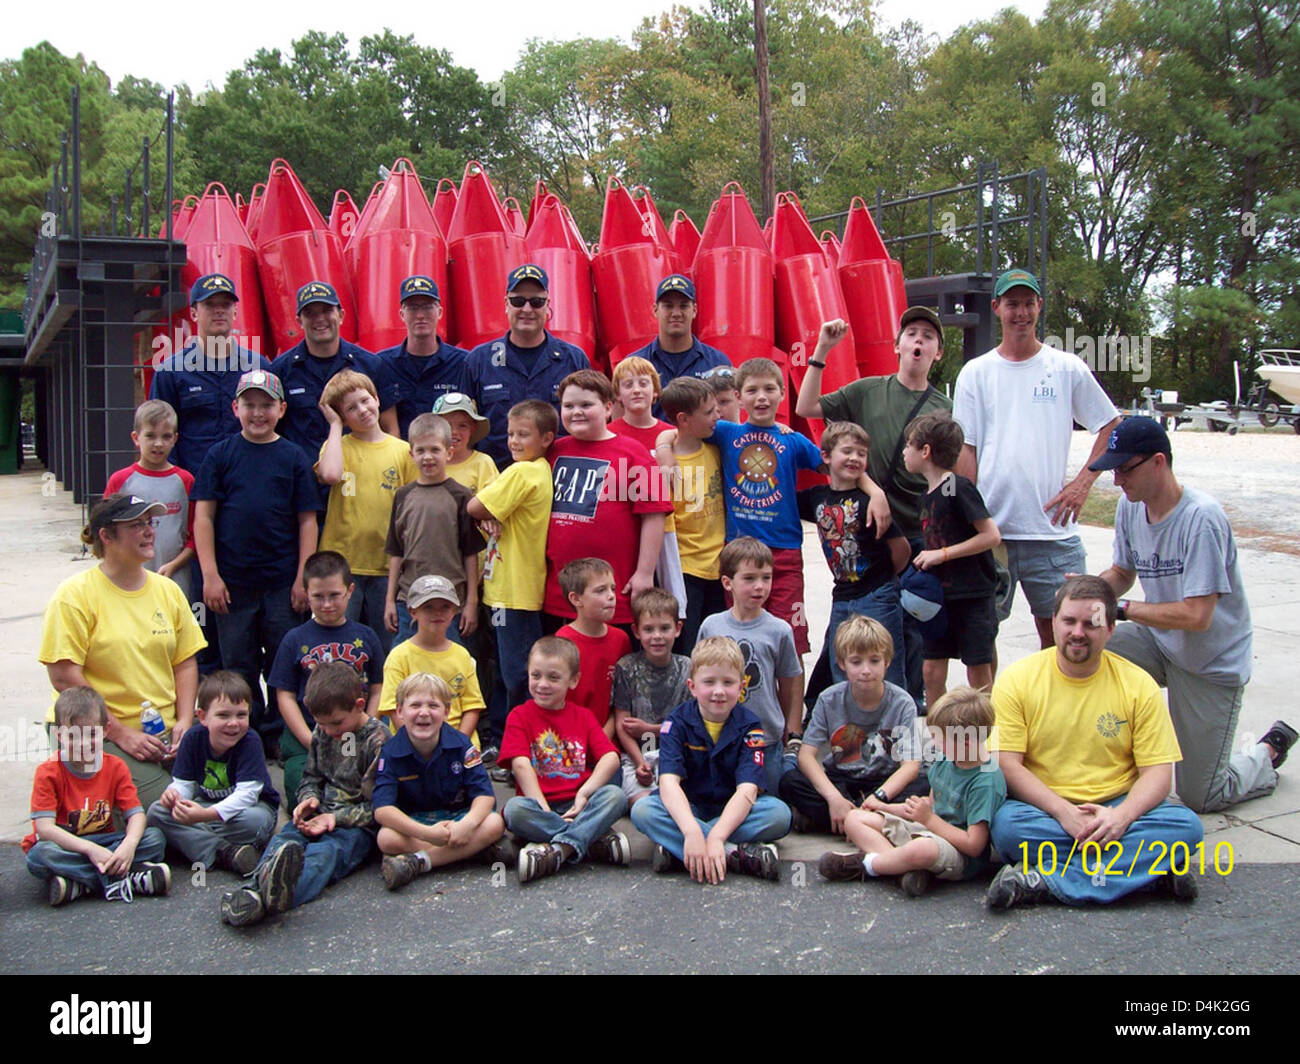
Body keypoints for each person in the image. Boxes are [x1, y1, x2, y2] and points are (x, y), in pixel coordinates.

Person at [1089, 417, 1295, 811]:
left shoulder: (1202, 519)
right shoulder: (1130, 508)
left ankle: (1266, 752)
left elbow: (1197, 615)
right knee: (1084, 643)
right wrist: (1088, 595)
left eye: (1124, 469)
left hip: (1209, 661)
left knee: (1202, 795)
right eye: (1112, 470)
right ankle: (1111, 755)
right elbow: (1122, 573)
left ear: (1159, 462)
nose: (1117, 481)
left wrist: (1122, 608)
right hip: (1160, 642)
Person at [986, 576, 1204, 908]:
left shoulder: (1138, 684)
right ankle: (1147, 875)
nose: (1078, 632)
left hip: (1118, 806)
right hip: (1045, 809)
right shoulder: (1018, 680)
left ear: (1110, 629)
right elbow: (1007, 765)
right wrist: (1063, 813)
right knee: (1007, 828)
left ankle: (1043, 880)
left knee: (1187, 827)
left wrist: (1122, 817)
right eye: (1069, 620)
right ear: (1054, 623)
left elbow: (1159, 773)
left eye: (1091, 623)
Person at [952, 269, 1120, 650]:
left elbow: (1111, 425)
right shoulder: (975, 373)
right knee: (981, 636)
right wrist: (968, 518)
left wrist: (1082, 483)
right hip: (994, 533)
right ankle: (993, 709)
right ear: (996, 308)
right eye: (1012, 304)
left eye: (1029, 303)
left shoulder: (1066, 368)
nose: (1021, 313)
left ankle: (1060, 709)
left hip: (1052, 532)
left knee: (1066, 636)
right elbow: (968, 450)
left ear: (1039, 307)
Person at [795, 309, 952, 701]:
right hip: (861, 534)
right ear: (897, 345)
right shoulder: (867, 390)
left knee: (905, 637)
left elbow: (954, 476)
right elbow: (806, 407)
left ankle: (900, 714)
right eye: (911, 333)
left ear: (938, 353)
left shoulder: (945, 409)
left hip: (915, 538)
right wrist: (822, 349)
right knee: (846, 638)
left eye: (928, 337)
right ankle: (832, 710)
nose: (919, 341)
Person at [707, 356, 887, 655]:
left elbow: (837, 465)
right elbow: (685, 424)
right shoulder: (726, 433)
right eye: (752, 390)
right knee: (739, 639)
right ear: (738, 398)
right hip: (739, 551)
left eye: (769, 389)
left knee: (791, 641)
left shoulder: (794, 441)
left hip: (785, 553)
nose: (761, 397)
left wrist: (874, 491)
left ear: (781, 393)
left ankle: (790, 703)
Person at [40, 494, 206, 808]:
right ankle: (219, 847)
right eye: (136, 525)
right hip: (95, 730)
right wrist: (119, 732)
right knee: (163, 804)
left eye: (150, 523)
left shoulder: (167, 590)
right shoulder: (74, 595)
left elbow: (184, 662)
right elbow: (63, 677)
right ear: (107, 536)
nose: (149, 532)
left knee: (220, 785)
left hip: (162, 730)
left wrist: (184, 721)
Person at [192, 369, 319, 750]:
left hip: (282, 584)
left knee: (284, 662)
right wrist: (210, 575)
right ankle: (245, 735)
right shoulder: (220, 455)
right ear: (235, 408)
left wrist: (303, 579)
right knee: (239, 664)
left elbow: (307, 520)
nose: (258, 413)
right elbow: (203, 517)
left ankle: (282, 734)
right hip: (233, 585)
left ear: (282, 409)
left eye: (267, 405)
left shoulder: (293, 457)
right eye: (249, 405)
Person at [219, 662, 388, 926]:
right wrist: (309, 799)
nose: (330, 731)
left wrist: (336, 819)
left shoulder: (377, 741)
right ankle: (253, 887)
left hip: (357, 826)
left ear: (359, 704)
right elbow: (312, 776)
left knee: (325, 855)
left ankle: (274, 898)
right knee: (285, 837)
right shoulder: (323, 731)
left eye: (337, 723)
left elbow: (382, 806)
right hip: (319, 814)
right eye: (322, 724)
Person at [630, 636, 792, 882]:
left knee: (779, 815)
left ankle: (679, 850)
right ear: (692, 686)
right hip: (688, 807)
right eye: (709, 682)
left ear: (741, 687)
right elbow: (668, 783)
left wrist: (716, 835)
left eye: (728, 682)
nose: (718, 691)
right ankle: (735, 853)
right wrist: (691, 830)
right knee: (643, 810)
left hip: (732, 809)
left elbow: (748, 789)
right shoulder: (676, 722)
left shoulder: (751, 726)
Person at [817, 686, 1005, 897]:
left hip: (957, 853)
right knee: (854, 819)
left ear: (967, 742)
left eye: (940, 738)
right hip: (928, 830)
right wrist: (884, 807)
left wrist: (929, 820)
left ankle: (868, 865)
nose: (935, 744)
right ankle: (901, 870)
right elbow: (930, 805)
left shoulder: (984, 780)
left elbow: (974, 846)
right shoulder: (947, 759)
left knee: (922, 849)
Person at [544, 369, 671, 628]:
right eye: (568, 406)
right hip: (559, 593)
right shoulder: (553, 451)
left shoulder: (632, 452)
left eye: (586, 404)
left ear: (608, 407)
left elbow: (655, 513)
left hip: (614, 594)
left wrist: (645, 573)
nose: (576, 411)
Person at [499, 636, 631, 883]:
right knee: (514, 811)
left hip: (578, 806)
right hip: (537, 805)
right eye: (535, 675)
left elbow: (611, 758)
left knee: (616, 796)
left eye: (553, 677)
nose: (542, 684)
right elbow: (520, 764)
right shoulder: (519, 715)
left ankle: (557, 850)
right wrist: (542, 807)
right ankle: (590, 841)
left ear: (573, 681)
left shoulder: (583, 716)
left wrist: (584, 793)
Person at [779, 616, 926, 835]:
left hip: (884, 782)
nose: (866, 670)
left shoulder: (902, 702)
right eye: (856, 662)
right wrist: (833, 797)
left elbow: (910, 765)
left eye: (874, 661)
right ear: (842, 663)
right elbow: (806, 756)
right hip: (842, 780)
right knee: (790, 782)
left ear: (887, 661)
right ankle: (869, 821)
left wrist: (880, 797)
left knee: (927, 784)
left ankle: (841, 822)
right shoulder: (829, 699)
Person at [24, 687, 170, 906]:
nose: (83, 743)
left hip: (106, 840)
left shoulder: (115, 766)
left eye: (91, 734)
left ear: (105, 730)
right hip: (69, 845)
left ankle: (80, 884)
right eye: (73, 735)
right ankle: (124, 879)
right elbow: (45, 829)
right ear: (58, 734)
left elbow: (136, 815)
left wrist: (128, 846)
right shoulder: (48, 772)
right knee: (39, 856)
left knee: (154, 839)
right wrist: (91, 850)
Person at [466, 399, 556, 741]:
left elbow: (474, 505)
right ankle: (503, 737)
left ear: (547, 438)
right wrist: (489, 513)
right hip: (510, 589)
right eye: (510, 434)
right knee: (506, 669)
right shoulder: (539, 469)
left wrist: (485, 511)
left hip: (512, 594)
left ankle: (514, 740)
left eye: (524, 434)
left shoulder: (523, 471)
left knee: (514, 672)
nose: (514, 442)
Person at [374, 672, 512, 891]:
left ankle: (419, 862)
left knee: (495, 823)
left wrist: (467, 825)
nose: (424, 712)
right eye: (415, 705)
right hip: (418, 824)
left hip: (458, 819)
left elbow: (485, 796)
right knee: (386, 838)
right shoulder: (391, 752)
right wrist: (427, 833)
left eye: (433, 706)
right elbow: (382, 809)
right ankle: (471, 851)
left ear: (447, 712)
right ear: (399, 711)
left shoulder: (461, 744)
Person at [798, 421, 910, 687]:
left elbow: (901, 548)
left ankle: (892, 727)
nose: (854, 458)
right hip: (842, 596)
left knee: (884, 663)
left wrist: (882, 579)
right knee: (843, 665)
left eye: (861, 453)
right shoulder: (817, 498)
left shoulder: (869, 501)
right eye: (847, 451)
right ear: (825, 456)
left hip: (877, 594)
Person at [268, 551, 385, 805]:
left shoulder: (366, 636)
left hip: (353, 732)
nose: (327, 604)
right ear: (306, 593)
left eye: (334, 595)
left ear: (350, 591)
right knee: (301, 788)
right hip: (308, 731)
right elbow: (284, 695)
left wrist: (368, 725)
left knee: (357, 787)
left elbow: (377, 688)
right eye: (318, 597)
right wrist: (309, 739)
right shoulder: (294, 639)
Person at [902, 411, 1001, 709]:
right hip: (938, 599)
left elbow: (990, 535)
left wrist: (941, 554)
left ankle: (984, 738)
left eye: (909, 444)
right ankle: (939, 737)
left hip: (971, 596)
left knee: (978, 670)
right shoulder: (927, 495)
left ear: (926, 451)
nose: (905, 451)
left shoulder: (958, 487)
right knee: (931, 670)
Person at [269, 280, 398, 502]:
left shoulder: (370, 365)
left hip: (361, 486)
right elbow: (273, 432)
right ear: (299, 320)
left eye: (327, 310)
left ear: (341, 315)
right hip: (301, 488)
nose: (320, 319)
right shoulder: (281, 370)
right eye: (310, 313)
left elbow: (390, 428)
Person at [316, 369, 417, 652]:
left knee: (386, 646)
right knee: (339, 646)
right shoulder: (338, 446)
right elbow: (332, 475)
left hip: (387, 567)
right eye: (350, 408)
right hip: (342, 566)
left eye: (365, 401)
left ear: (376, 398)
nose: (362, 410)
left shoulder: (403, 451)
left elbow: (411, 510)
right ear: (342, 416)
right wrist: (335, 426)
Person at [698, 538, 804, 793]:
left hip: (765, 737)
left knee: (772, 801)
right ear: (727, 583)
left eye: (766, 578)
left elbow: (789, 682)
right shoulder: (711, 626)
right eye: (749, 579)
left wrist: (792, 727)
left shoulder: (779, 630)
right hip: (719, 736)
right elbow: (700, 680)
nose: (760, 587)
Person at [147, 671, 279, 875]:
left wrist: (204, 816)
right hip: (208, 807)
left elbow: (248, 794)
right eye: (223, 715)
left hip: (247, 809)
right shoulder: (192, 738)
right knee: (157, 811)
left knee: (256, 821)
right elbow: (184, 783)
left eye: (241, 715)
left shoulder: (250, 741)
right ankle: (224, 851)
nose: (233, 723)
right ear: (202, 717)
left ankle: (191, 841)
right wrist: (174, 795)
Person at [460, 264, 590, 468]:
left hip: (558, 481)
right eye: (518, 301)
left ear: (548, 305)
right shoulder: (478, 361)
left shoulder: (573, 359)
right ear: (506, 304)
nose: (527, 309)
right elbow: (463, 429)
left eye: (537, 302)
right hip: (497, 483)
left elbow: (589, 424)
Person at [149, 272, 273, 477]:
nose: (218, 311)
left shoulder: (259, 367)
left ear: (235, 312)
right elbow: (158, 435)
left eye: (225, 304)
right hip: (193, 486)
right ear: (194, 313)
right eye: (209, 304)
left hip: (249, 483)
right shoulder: (171, 372)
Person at [383, 412, 484, 647]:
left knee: (448, 666)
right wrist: (389, 600)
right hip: (410, 600)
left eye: (435, 450)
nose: (428, 457)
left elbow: (470, 553)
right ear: (411, 454)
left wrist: (471, 602)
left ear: (448, 452)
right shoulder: (403, 496)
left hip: (450, 602)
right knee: (408, 667)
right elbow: (396, 551)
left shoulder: (461, 496)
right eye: (421, 451)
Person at [657, 376, 726, 652]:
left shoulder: (716, 449)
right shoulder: (662, 468)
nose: (716, 416)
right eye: (709, 412)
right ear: (684, 419)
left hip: (721, 568)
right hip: (687, 573)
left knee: (718, 646)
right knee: (690, 648)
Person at [104, 399, 195, 600]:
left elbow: (195, 537)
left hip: (175, 577)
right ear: (136, 438)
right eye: (150, 436)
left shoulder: (185, 481)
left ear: (175, 438)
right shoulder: (120, 481)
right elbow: (105, 531)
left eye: (166, 436)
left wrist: (175, 564)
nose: (158, 443)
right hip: (129, 578)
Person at [378, 575, 485, 741]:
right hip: (413, 741)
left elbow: (472, 707)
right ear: (413, 611)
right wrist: (421, 744)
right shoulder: (399, 656)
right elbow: (393, 708)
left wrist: (457, 743)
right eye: (428, 607)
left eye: (445, 606)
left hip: (458, 742)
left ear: (454, 611)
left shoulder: (462, 655)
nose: (438, 613)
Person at [612, 588, 690, 807]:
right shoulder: (626, 668)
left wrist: (651, 729)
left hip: (678, 754)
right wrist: (639, 763)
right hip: (637, 754)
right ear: (636, 631)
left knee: (683, 800)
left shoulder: (688, 667)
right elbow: (622, 723)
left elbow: (691, 724)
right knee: (644, 805)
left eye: (664, 628)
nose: (657, 636)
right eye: (649, 629)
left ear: (678, 628)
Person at [376, 275, 469, 440]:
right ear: (401, 314)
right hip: (401, 461)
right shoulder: (382, 365)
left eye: (427, 307)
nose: (420, 315)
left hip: (450, 460)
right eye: (412, 308)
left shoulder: (463, 363)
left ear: (439, 312)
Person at [626, 274, 731, 417]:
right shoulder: (635, 365)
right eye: (668, 306)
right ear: (655, 310)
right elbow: (622, 423)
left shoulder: (717, 363)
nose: (676, 313)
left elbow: (728, 417)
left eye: (683, 306)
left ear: (694, 310)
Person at [555, 558, 630, 739]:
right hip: (570, 740)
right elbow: (557, 703)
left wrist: (601, 740)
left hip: (608, 742)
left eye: (612, 588)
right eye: (600, 590)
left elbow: (622, 703)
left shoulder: (621, 640)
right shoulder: (563, 643)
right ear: (576, 598)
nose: (611, 595)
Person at [609, 355, 673, 453]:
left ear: (655, 390)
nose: (636, 390)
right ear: (618, 394)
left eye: (643, 384)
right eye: (628, 385)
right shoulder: (607, 434)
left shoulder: (672, 435)